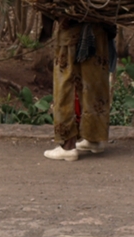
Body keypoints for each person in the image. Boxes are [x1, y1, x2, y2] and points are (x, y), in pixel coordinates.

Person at [43, 19, 115, 161]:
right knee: (94, 81)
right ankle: (93, 139)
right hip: (98, 32)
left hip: (72, 33)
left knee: (67, 84)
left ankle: (68, 146)